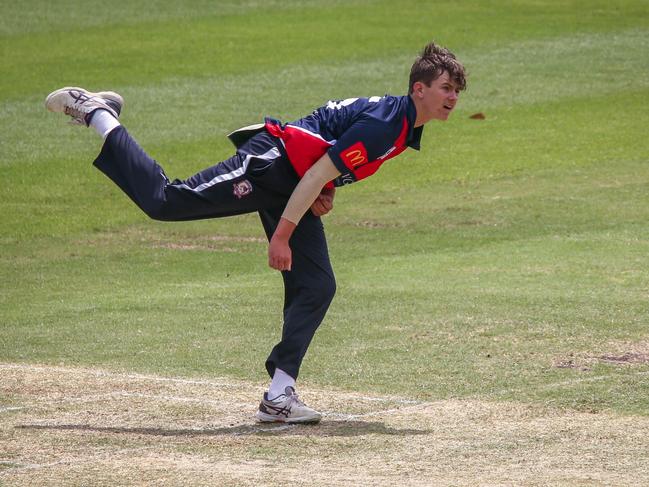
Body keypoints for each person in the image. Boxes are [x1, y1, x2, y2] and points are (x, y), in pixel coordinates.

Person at [45, 41, 466, 424]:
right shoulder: (385, 126)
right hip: (269, 166)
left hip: (291, 180)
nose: (452, 97)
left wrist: (327, 189)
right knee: (165, 201)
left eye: (456, 91)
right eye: (445, 87)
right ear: (418, 89)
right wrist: (282, 235)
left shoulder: (402, 126)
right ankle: (97, 112)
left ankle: (279, 395)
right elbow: (319, 168)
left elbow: (326, 162)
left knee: (317, 285)